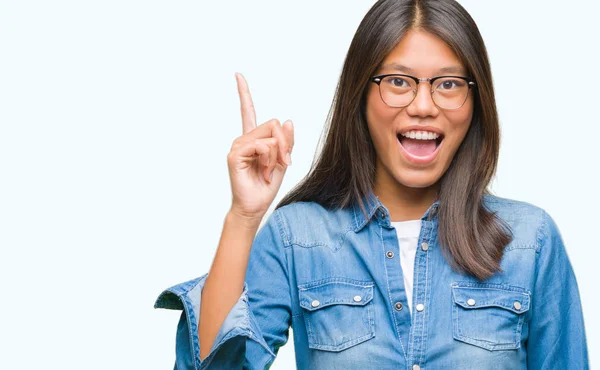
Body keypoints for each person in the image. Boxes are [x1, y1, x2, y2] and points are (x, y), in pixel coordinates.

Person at [154, 0, 589, 368]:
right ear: (360, 97)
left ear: (475, 103)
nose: (423, 105)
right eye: (398, 82)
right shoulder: (297, 238)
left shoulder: (530, 241)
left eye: (449, 84)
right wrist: (244, 216)